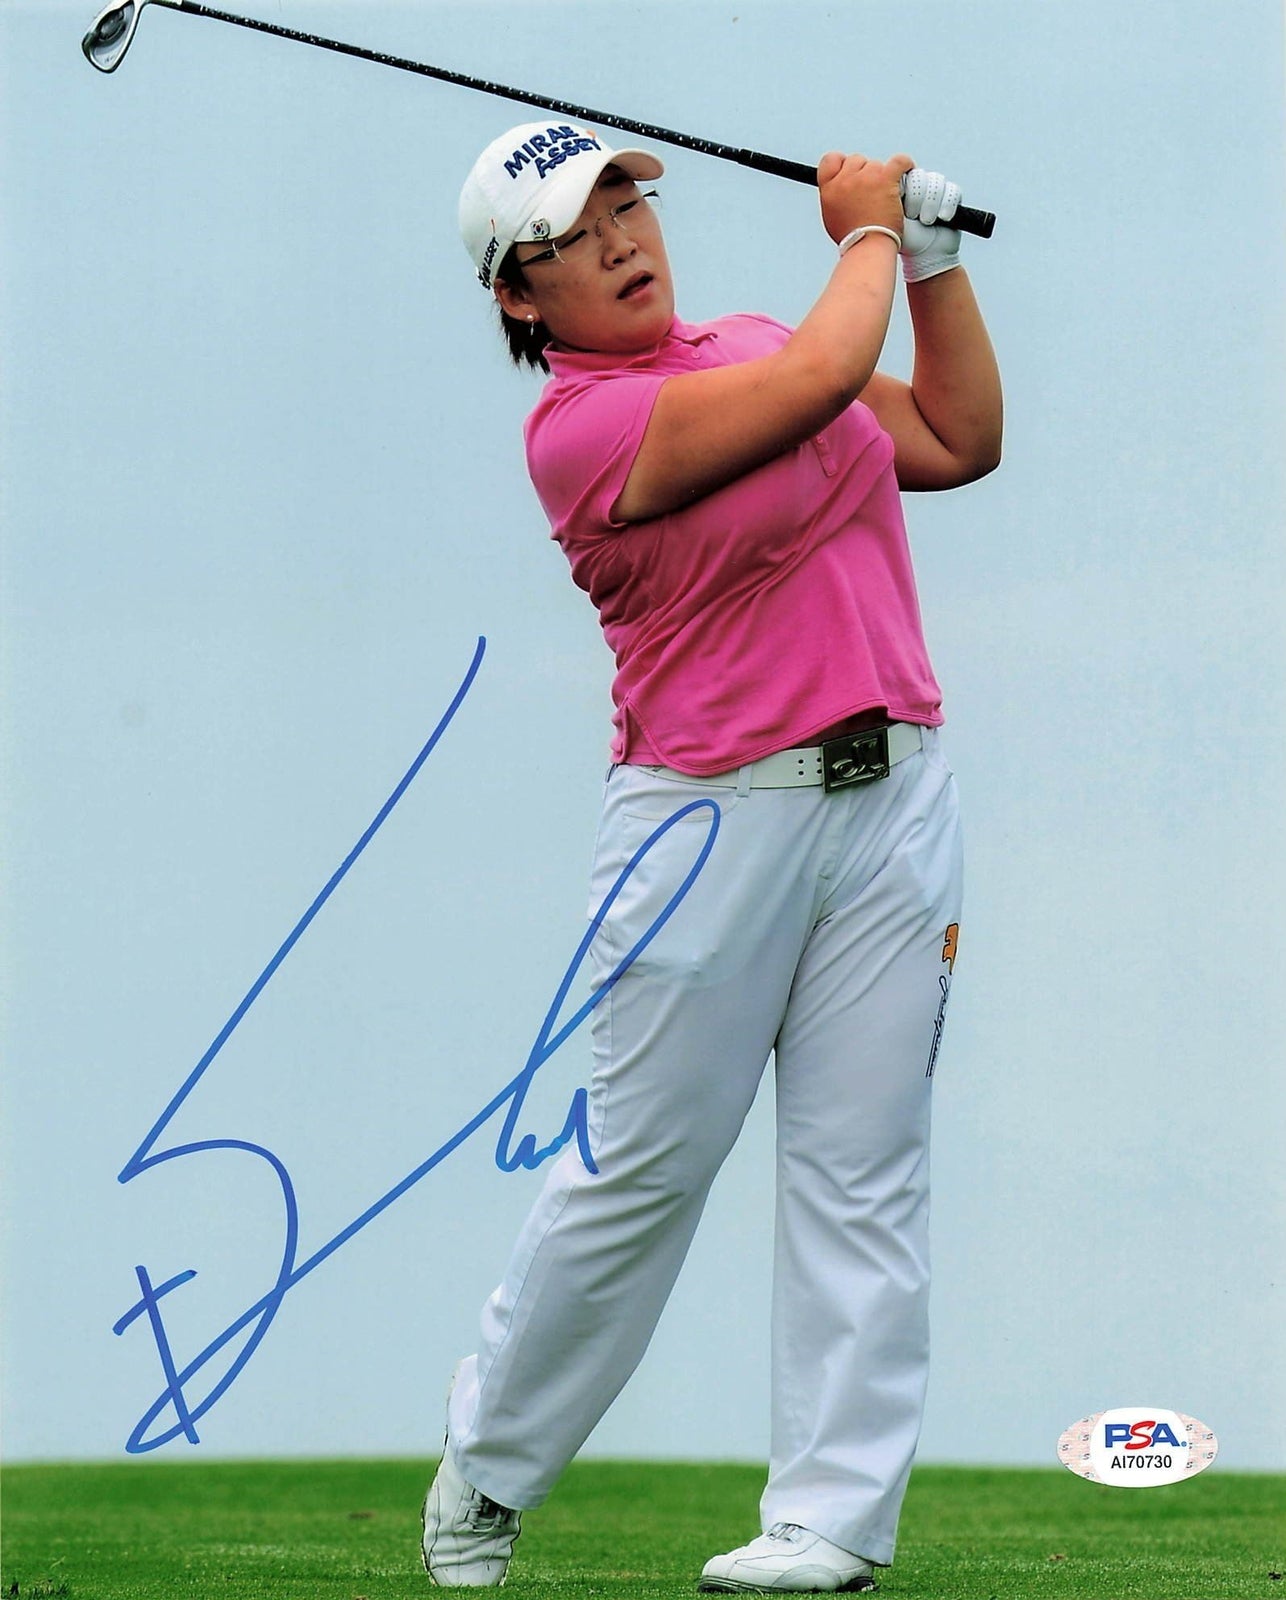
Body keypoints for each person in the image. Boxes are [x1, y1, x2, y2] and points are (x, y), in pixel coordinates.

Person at [421, 119, 1002, 1593]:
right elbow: (818, 382)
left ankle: (830, 1521)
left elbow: (955, 441)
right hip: (705, 824)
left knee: (864, 1171)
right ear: (518, 295)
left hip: (892, 796)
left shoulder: (751, 336)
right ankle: (487, 1470)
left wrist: (930, 264)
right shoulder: (578, 432)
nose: (622, 240)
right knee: (643, 1172)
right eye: (574, 236)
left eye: (627, 205)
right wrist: (868, 232)